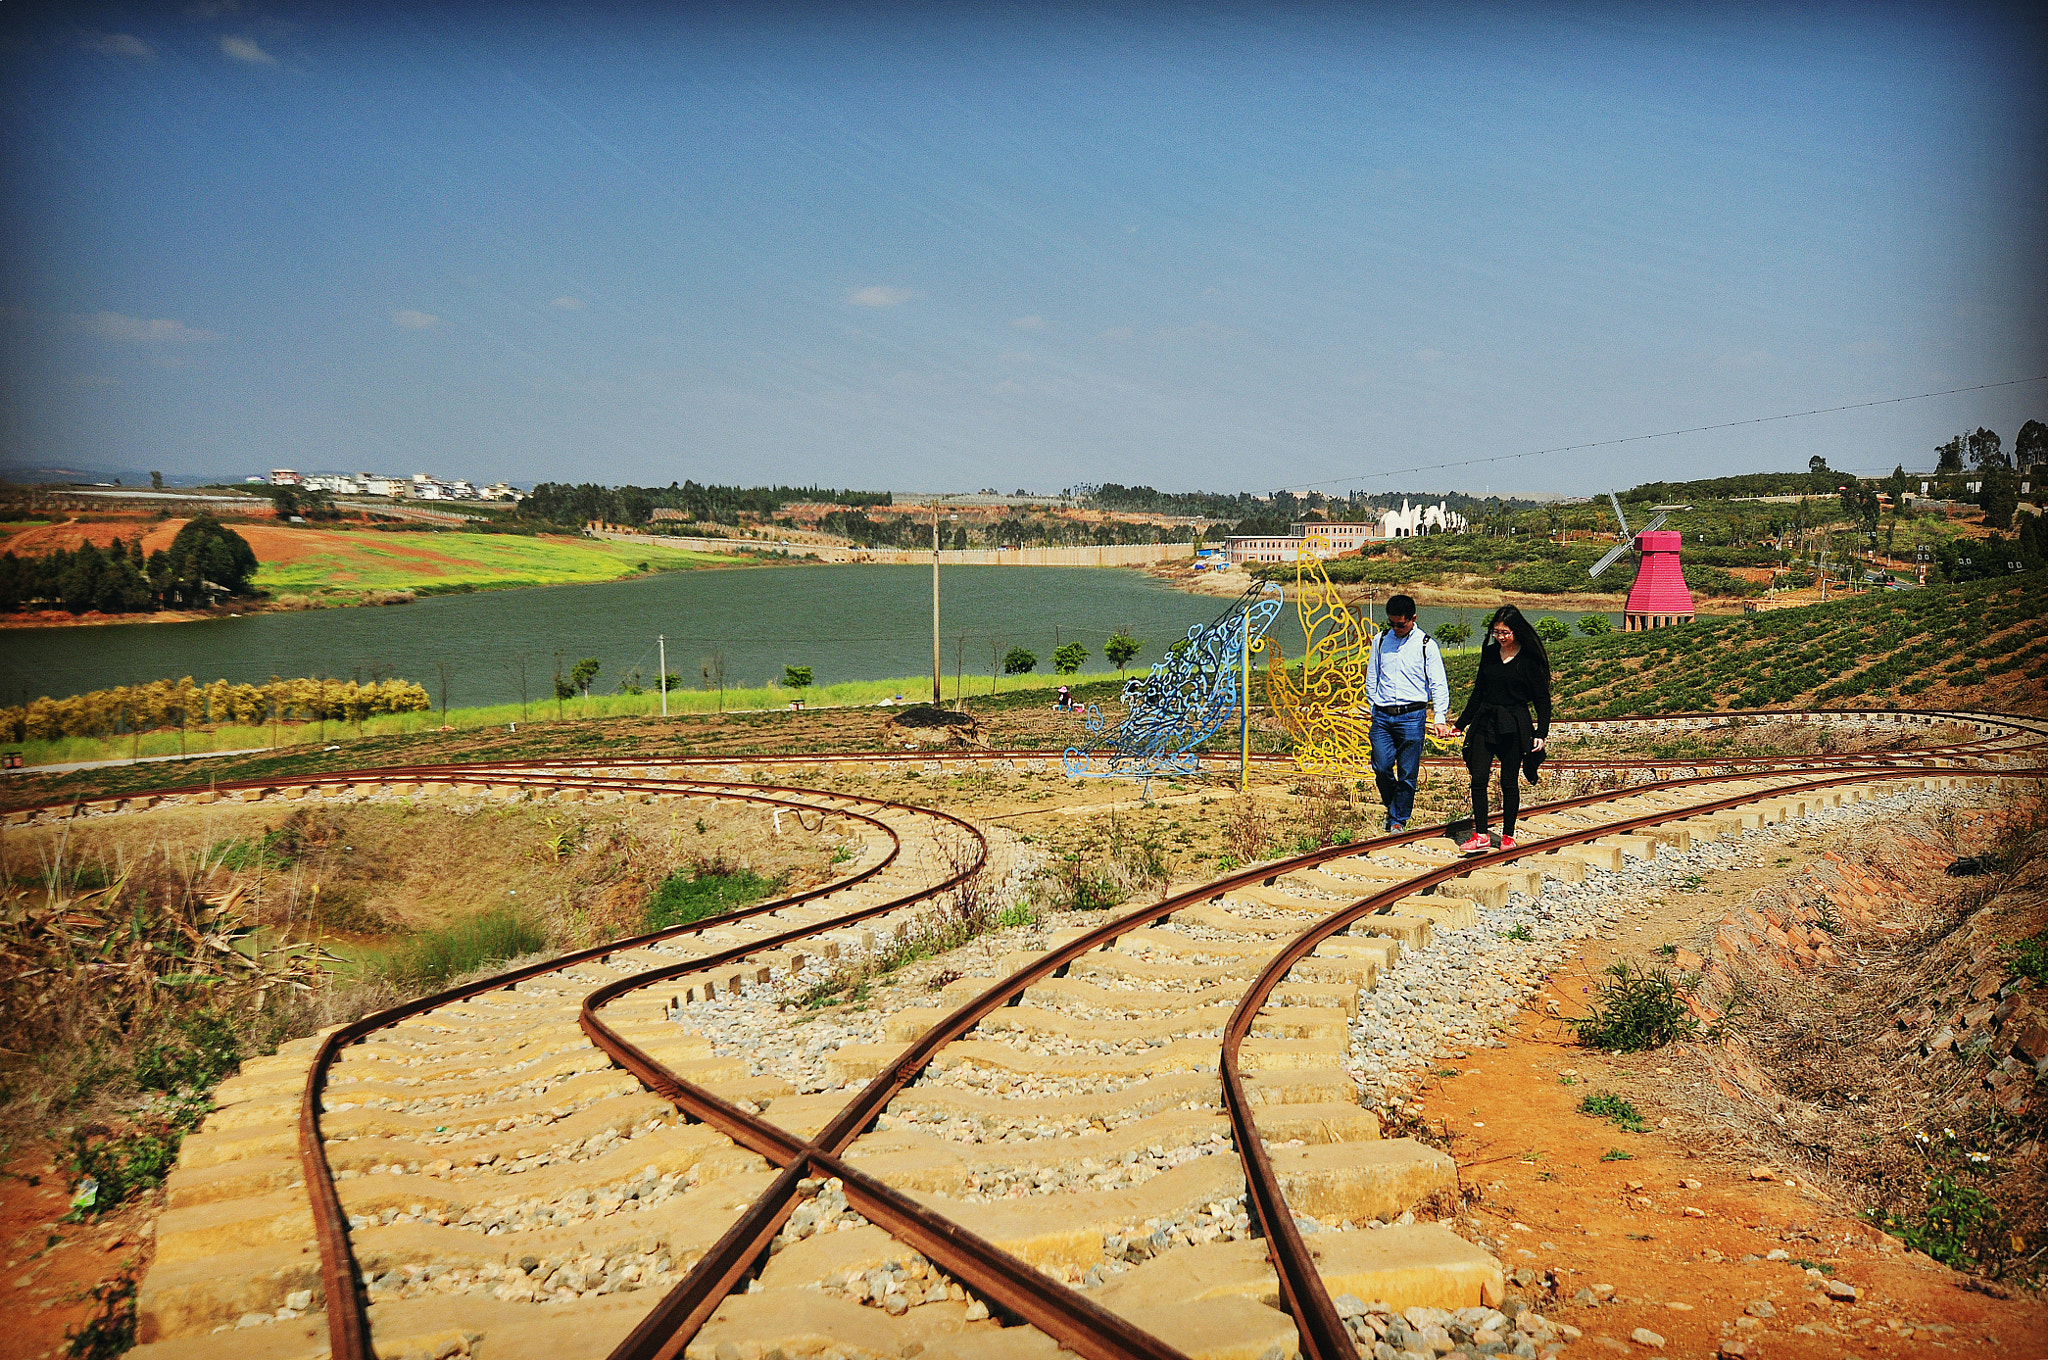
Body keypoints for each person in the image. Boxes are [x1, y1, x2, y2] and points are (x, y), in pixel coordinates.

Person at [1453, 604, 1552, 853]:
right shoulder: (1488, 654)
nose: (1500, 637)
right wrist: (1460, 724)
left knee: (1509, 782)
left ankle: (1508, 836)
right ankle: (1482, 834)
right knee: (1478, 779)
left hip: (1515, 723)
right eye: (1496, 632)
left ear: (1516, 631)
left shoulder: (1528, 660)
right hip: (1486, 721)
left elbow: (1542, 700)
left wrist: (1540, 734)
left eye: (1505, 632)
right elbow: (1478, 692)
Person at [1365, 594, 1453, 834]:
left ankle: (1397, 819)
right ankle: (1394, 802)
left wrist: (1439, 718)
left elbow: (1438, 684)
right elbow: (1372, 676)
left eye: (1400, 624)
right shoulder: (1380, 641)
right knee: (1381, 767)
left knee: (1407, 773)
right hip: (1382, 716)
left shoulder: (1426, 645)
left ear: (1413, 618)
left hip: (1412, 717)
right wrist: (1374, 706)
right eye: (1391, 623)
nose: (1396, 628)